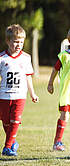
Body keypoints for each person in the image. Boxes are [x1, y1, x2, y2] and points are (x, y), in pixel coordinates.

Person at [0, 24, 39, 156]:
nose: (18, 45)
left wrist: (33, 93)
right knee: (5, 121)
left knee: (15, 120)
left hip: (20, 95)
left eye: (21, 42)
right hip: (4, 95)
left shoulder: (26, 58)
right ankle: (13, 142)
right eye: (16, 41)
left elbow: (28, 77)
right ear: (8, 41)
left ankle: (7, 147)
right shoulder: (1, 58)